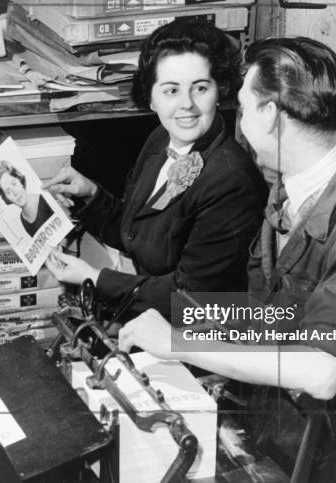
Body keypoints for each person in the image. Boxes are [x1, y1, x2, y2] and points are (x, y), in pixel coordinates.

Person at [118, 37, 336, 480]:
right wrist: (183, 321)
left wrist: (178, 341)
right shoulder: (289, 185)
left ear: (271, 115)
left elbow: (324, 370)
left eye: (243, 105)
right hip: (266, 419)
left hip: (322, 447)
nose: (238, 119)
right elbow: (266, 313)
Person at [43, 19, 267, 319]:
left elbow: (191, 299)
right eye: (171, 91)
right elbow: (139, 234)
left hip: (196, 333)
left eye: (200, 88)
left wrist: (95, 278)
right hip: (149, 310)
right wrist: (90, 194)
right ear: (151, 97)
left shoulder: (232, 180)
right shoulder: (160, 139)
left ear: (220, 90)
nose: (186, 105)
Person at [0, 160, 54, 237]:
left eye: (14, 184)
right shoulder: (23, 219)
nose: (14, 193)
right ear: (6, 198)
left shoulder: (45, 200)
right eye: (8, 192)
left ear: (20, 180)